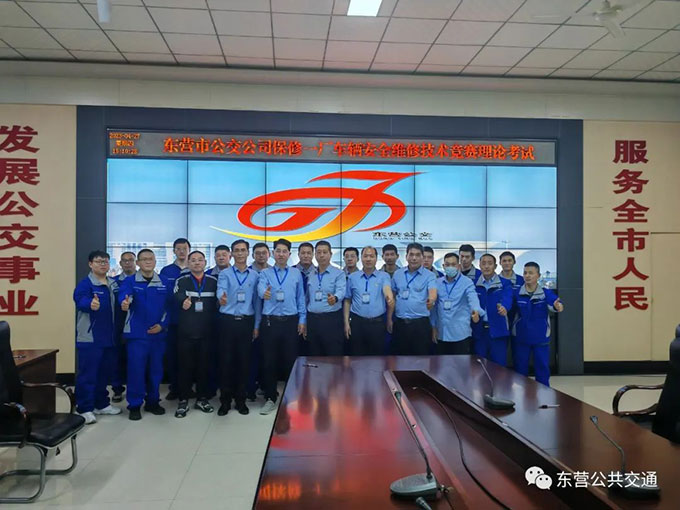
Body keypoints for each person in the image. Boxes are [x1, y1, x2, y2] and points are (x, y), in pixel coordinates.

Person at [119, 249, 170, 420]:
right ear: (138, 263)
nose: (148, 262)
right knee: (136, 371)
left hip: (157, 335)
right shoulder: (130, 281)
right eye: (144, 259)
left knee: (155, 371)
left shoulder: (163, 281)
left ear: (155, 262)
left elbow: (170, 307)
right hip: (137, 335)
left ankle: (153, 402)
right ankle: (134, 405)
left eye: (151, 259)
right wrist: (124, 303)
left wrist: (162, 326)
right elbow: (124, 296)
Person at [257, 238, 306, 415]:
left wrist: (302, 320)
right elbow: (260, 290)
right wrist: (264, 293)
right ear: (273, 253)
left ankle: (291, 398)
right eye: (278, 251)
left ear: (289, 254)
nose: (281, 254)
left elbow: (301, 298)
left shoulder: (296, 273)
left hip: (291, 322)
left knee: (290, 361)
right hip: (270, 322)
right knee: (269, 361)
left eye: (284, 251)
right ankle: (270, 397)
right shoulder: (265, 273)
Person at [73, 251, 122, 424]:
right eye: (99, 261)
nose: (103, 264)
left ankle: (101, 404)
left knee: (104, 373)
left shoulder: (113, 284)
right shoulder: (85, 284)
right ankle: (84, 408)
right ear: (90, 264)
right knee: (88, 374)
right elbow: (79, 300)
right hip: (90, 338)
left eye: (106, 262)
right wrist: (90, 304)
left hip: (110, 337)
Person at [217, 239, 261, 416]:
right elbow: (221, 289)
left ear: (248, 253)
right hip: (227, 322)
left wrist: (256, 325)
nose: (240, 253)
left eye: (243, 250)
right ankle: (225, 401)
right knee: (226, 362)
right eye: (237, 250)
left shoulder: (255, 275)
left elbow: (257, 303)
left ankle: (241, 400)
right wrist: (221, 297)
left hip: (246, 322)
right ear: (232, 254)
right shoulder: (225, 274)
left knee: (244, 362)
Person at [173, 251, 218, 418]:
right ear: (188, 263)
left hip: (207, 332)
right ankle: (183, 400)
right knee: (184, 367)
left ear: (205, 262)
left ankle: (202, 399)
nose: (197, 263)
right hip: (186, 332)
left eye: (200, 260)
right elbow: (176, 294)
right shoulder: (182, 280)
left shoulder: (213, 281)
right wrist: (181, 301)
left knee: (204, 367)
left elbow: (220, 300)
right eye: (193, 260)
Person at [512, 262, 563, 387]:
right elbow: (508, 304)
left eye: (531, 273)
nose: (527, 276)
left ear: (538, 275)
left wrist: (558, 305)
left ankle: (544, 393)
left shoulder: (545, 293)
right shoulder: (517, 293)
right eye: (525, 273)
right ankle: (520, 395)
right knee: (520, 369)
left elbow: (554, 302)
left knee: (542, 368)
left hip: (541, 337)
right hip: (521, 336)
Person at [343, 246, 394, 355]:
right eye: (365, 256)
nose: (368, 259)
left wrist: (389, 297)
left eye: (371, 256)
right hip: (357, 323)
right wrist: (346, 323)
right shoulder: (352, 277)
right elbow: (347, 300)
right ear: (361, 258)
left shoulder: (383, 276)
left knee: (377, 357)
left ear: (376, 258)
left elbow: (387, 288)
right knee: (357, 357)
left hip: (377, 324)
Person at [430, 253, 484, 355]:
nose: (450, 267)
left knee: (461, 364)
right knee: (441, 364)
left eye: (453, 264)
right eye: (447, 264)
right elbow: (434, 307)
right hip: (442, 332)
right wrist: (433, 326)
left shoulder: (467, 282)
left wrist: (476, 310)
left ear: (458, 266)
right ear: (443, 266)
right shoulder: (437, 283)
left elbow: (472, 298)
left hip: (460, 334)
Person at [389, 242, 437, 355]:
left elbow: (432, 292)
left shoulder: (429, 275)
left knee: (421, 359)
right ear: (406, 256)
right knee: (400, 358)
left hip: (420, 325)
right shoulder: (397, 274)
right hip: (400, 324)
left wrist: (431, 300)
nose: (414, 258)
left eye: (417, 255)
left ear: (422, 257)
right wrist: (389, 318)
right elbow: (393, 297)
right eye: (411, 254)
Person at [160, 237, 191, 401]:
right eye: (178, 249)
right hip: (173, 321)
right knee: (172, 356)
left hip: (192, 321)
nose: (181, 251)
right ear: (174, 251)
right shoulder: (166, 271)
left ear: (189, 250)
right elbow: (163, 296)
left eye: (184, 248)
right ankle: (174, 387)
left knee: (190, 356)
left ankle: (189, 387)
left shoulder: (195, 268)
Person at [472, 253, 513, 366]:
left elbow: (508, 298)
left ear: (495, 266)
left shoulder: (505, 283)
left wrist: (504, 307)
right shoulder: (473, 284)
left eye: (490, 263)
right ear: (479, 265)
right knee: (479, 366)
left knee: (499, 367)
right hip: (479, 331)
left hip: (498, 330)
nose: (486, 266)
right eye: (483, 263)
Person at [306, 241, 346, 356]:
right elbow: (307, 297)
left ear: (330, 254)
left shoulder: (339, 273)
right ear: (315, 255)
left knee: (333, 356)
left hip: (331, 320)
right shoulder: (311, 274)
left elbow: (341, 290)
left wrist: (335, 298)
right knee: (314, 355)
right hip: (313, 320)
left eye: (324, 252)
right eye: (318, 252)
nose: (321, 255)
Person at [110, 250, 136, 403]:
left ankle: (136, 389)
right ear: (120, 263)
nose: (128, 263)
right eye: (124, 260)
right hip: (118, 325)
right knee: (117, 358)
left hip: (137, 325)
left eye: (130, 260)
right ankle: (117, 389)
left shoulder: (143, 280)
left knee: (136, 360)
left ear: (136, 262)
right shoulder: (113, 282)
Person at [247, 242, 270, 401]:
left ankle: (265, 385)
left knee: (267, 354)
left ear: (269, 254)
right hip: (251, 317)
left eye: (264, 253)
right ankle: (251, 386)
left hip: (269, 319)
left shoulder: (273, 272)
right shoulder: (248, 272)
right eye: (258, 253)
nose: (261, 255)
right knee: (252, 354)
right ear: (253, 255)